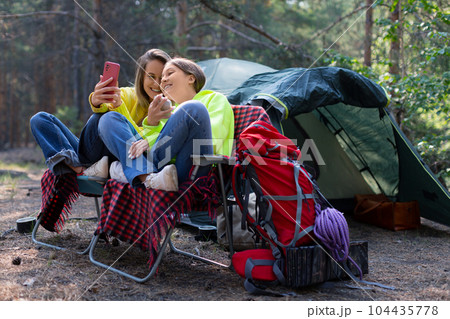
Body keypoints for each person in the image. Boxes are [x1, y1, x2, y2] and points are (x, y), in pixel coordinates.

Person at [97, 57, 235, 191]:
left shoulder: (214, 99)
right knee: (108, 119)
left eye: (169, 73)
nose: (163, 80)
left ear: (191, 78)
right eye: (163, 77)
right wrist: (151, 125)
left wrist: (152, 140)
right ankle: (146, 177)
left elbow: (211, 141)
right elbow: (153, 145)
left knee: (194, 108)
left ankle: (126, 169)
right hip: (160, 171)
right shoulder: (168, 111)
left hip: (194, 166)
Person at [30, 48, 171, 178]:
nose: (157, 83)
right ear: (142, 78)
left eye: (162, 78)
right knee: (40, 119)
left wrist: (121, 109)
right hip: (91, 155)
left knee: (107, 118)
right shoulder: (130, 95)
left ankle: (77, 170)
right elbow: (107, 104)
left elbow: (144, 141)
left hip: (117, 157)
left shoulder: (172, 107)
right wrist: (96, 100)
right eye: (151, 77)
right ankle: (78, 168)